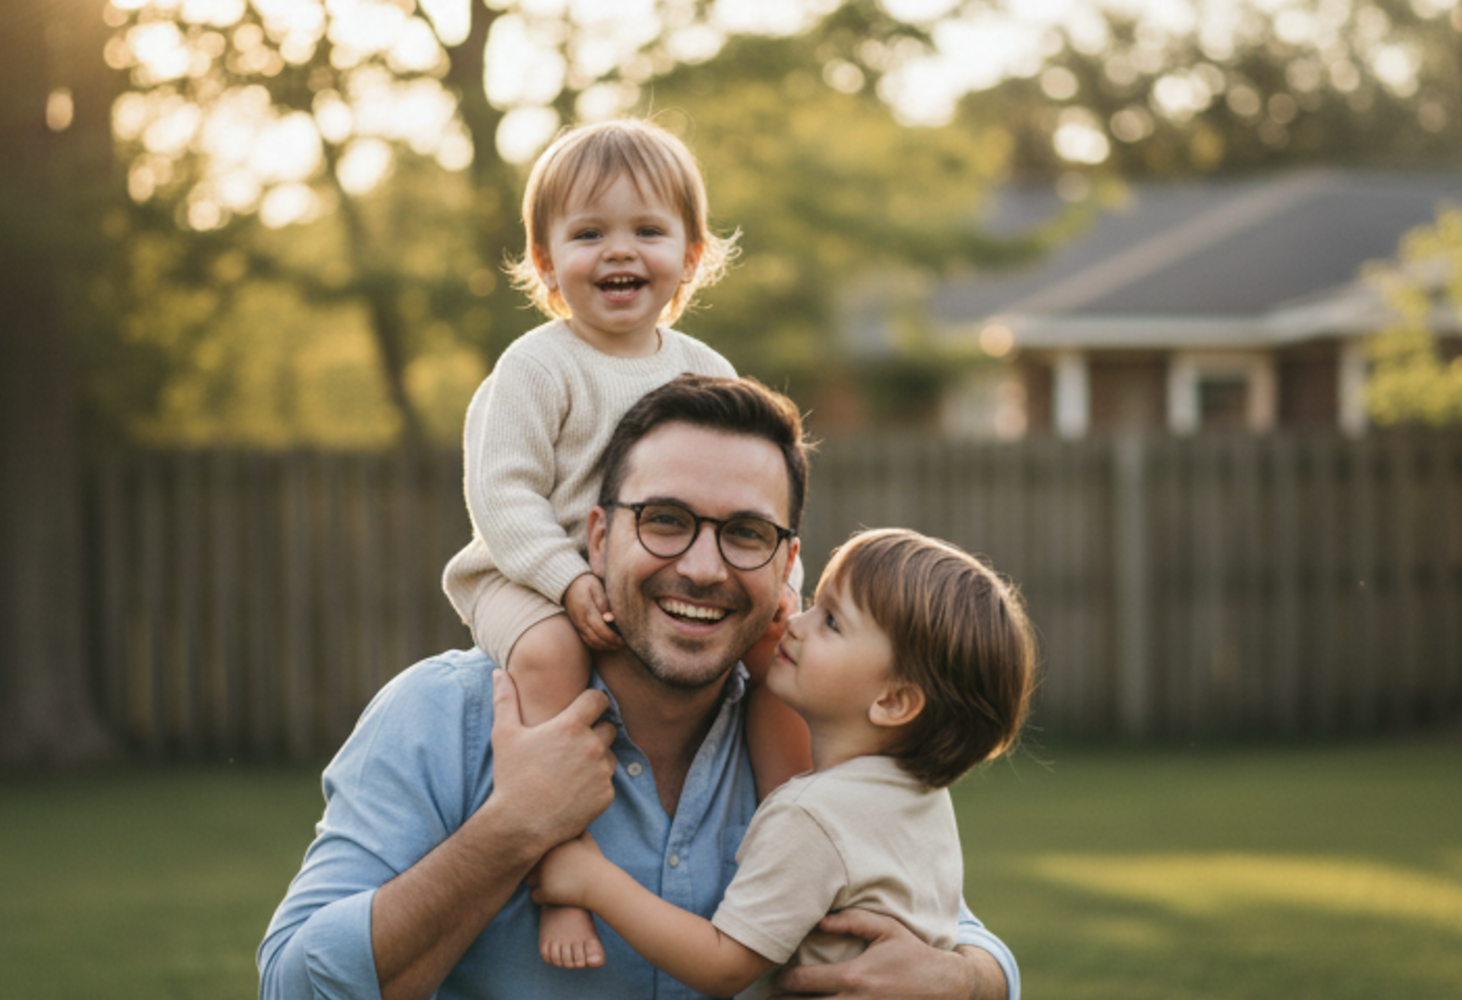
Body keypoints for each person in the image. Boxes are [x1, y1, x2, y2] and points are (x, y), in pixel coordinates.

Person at [258, 374, 1021, 1000]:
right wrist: (512, 828)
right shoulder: (444, 717)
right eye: (664, 520)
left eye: (746, 533)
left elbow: (946, 925)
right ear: (597, 537)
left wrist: (967, 981)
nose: (702, 566)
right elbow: (296, 984)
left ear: (787, 561)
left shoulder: (816, 733)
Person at [440, 118, 808, 966]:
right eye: (589, 233)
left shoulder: (705, 366)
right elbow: (502, 496)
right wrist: (569, 581)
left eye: (648, 230)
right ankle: (560, 868)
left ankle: (790, 835)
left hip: (648, 583)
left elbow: (748, 490)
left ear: (692, 255)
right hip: (524, 575)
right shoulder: (538, 367)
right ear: (545, 263)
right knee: (551, 661)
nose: (621, 251)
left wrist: (783, 591)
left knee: (782, 655)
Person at [528, 528, 1036, 999]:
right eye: (814, 606)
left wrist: (592, 880)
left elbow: (723, 964)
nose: (795, 622)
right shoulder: (918, 796)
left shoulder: (812, 816)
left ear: (894, 701)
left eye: (831, 622)